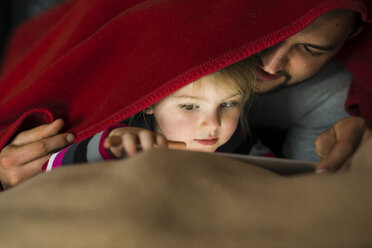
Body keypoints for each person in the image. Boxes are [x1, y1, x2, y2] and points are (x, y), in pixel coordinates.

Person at [0, 0, 371, 190]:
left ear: (349, 40)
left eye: (312, 49)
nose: (271, 64)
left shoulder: (330, 98)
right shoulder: (164, 49)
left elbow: (294, 185)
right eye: (271, 28)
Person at [41, 57, 255, 172]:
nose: (213, 124)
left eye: (227, 103)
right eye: (189, 107)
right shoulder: (126, 142)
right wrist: (107, 146)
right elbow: (50, 170)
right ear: (150, 102)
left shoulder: (240, 143)